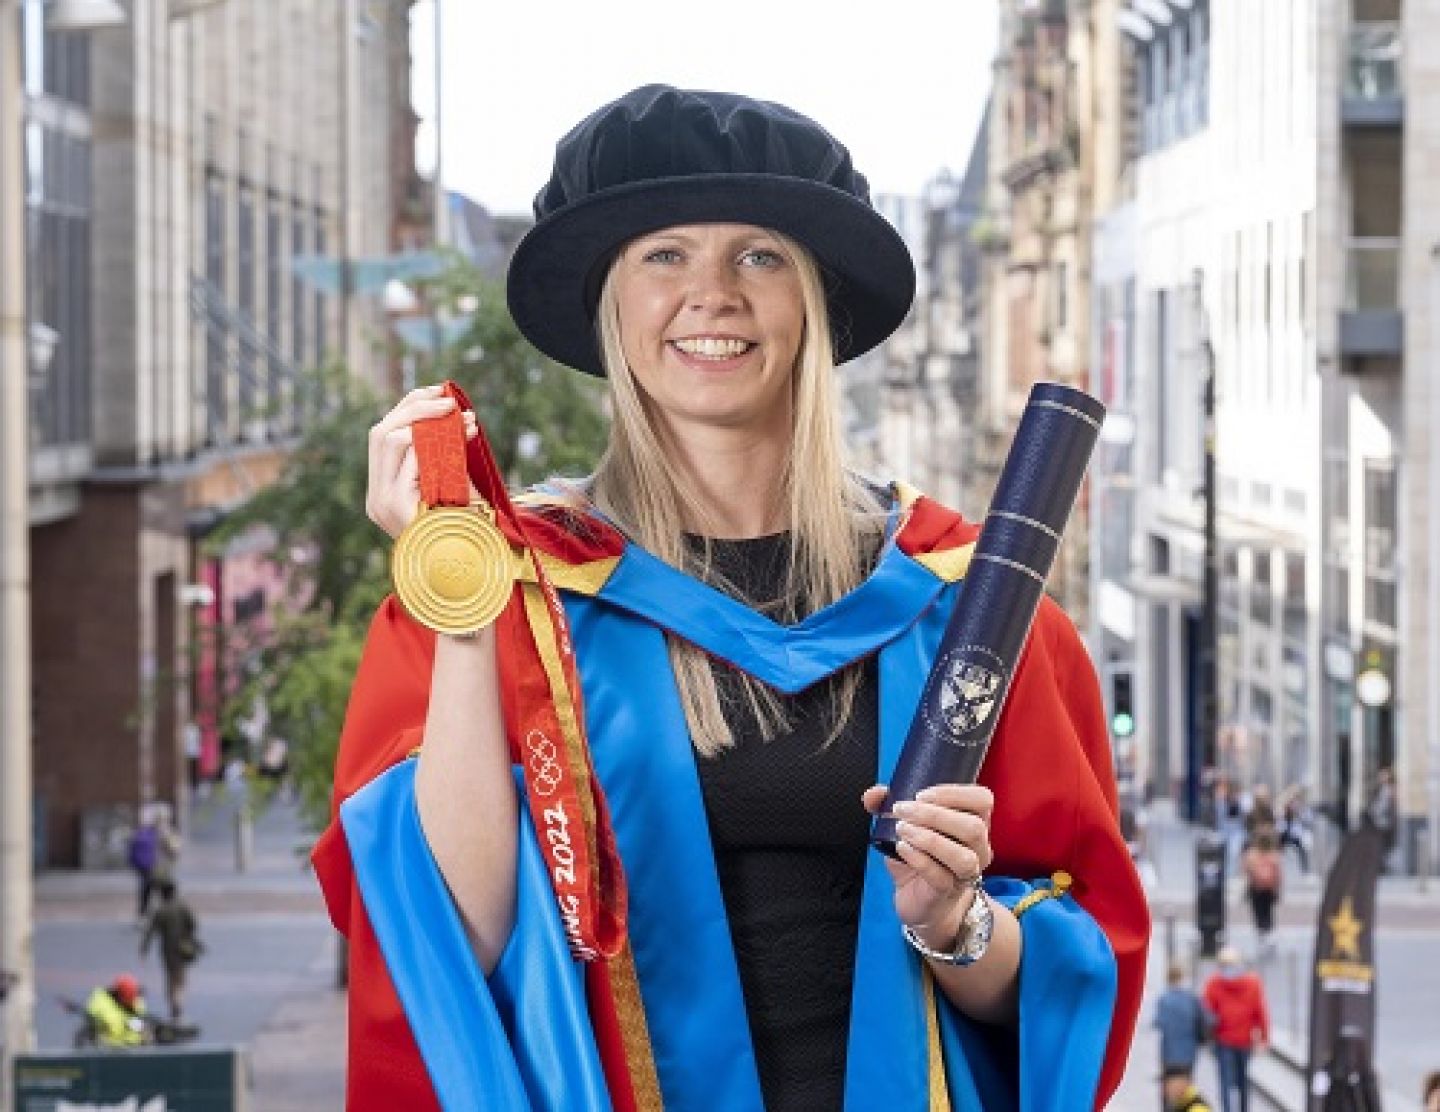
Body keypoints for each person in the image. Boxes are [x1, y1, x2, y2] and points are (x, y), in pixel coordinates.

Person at [313, 83, 1149, 1111]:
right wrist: (466, 593)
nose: (712, 291)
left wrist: (954, 921)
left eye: (759, 254)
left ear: (813, 303)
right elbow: (455, 939)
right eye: (664, 253)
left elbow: (1074, 972)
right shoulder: (516, 597)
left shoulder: (963, 608)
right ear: (610, 302)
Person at [1202, 945, 1270, 1112]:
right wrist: (1263, 1037)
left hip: (1228, 1039)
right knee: (1241, 1080)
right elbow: (1260, 1012)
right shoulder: (1251, 983)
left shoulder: (1215, 983)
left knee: (1228, 1081)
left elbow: (1206, 1011)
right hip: (1236, 1039)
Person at [141, 879, 203, 1019]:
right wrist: (188, 936)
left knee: (170, 978)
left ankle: (173, 1002)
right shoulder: (182, 907)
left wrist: (144, 950)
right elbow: (193, 924)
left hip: (167, 950)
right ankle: (178, 1002)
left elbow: (150, 932)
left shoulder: (160, 910)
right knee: (180, 978)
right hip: (182, 947)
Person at [1154, 962, 1210, 1093]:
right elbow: (1205, 1018)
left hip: (1169, 1052)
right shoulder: (1192, 998)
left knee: (1169, 1087)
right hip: (1189, 1051)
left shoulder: (1164, 999)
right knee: (1186, 1085)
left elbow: (1159, 1022)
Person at [1241, 830, 1283, 950]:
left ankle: (1261, 932)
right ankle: (1268, 931)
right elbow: (1278, 874)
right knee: (1268, 910)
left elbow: (1246, 869)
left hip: (1256, 887)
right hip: (1269, 888)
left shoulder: (1251, 854)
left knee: (1258, 910)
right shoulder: (1274, 855)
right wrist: (1277, 886)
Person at [84, 973, 148, 1047]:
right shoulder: (101, 1007)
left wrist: (142, 1031)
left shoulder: (137, 1003)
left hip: (134, 1048)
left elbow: (142, 1023)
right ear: (119, 995)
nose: (132, 1001)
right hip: (108, 1050)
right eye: (128, 997)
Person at [126, 808, 159, 920]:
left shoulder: (139, 834)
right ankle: (145, 911)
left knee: (146, 888)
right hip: (147, 865)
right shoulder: (149, 834)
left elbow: (131, 851)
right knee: (148, 887)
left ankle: (144, 911)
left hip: (144, 865)